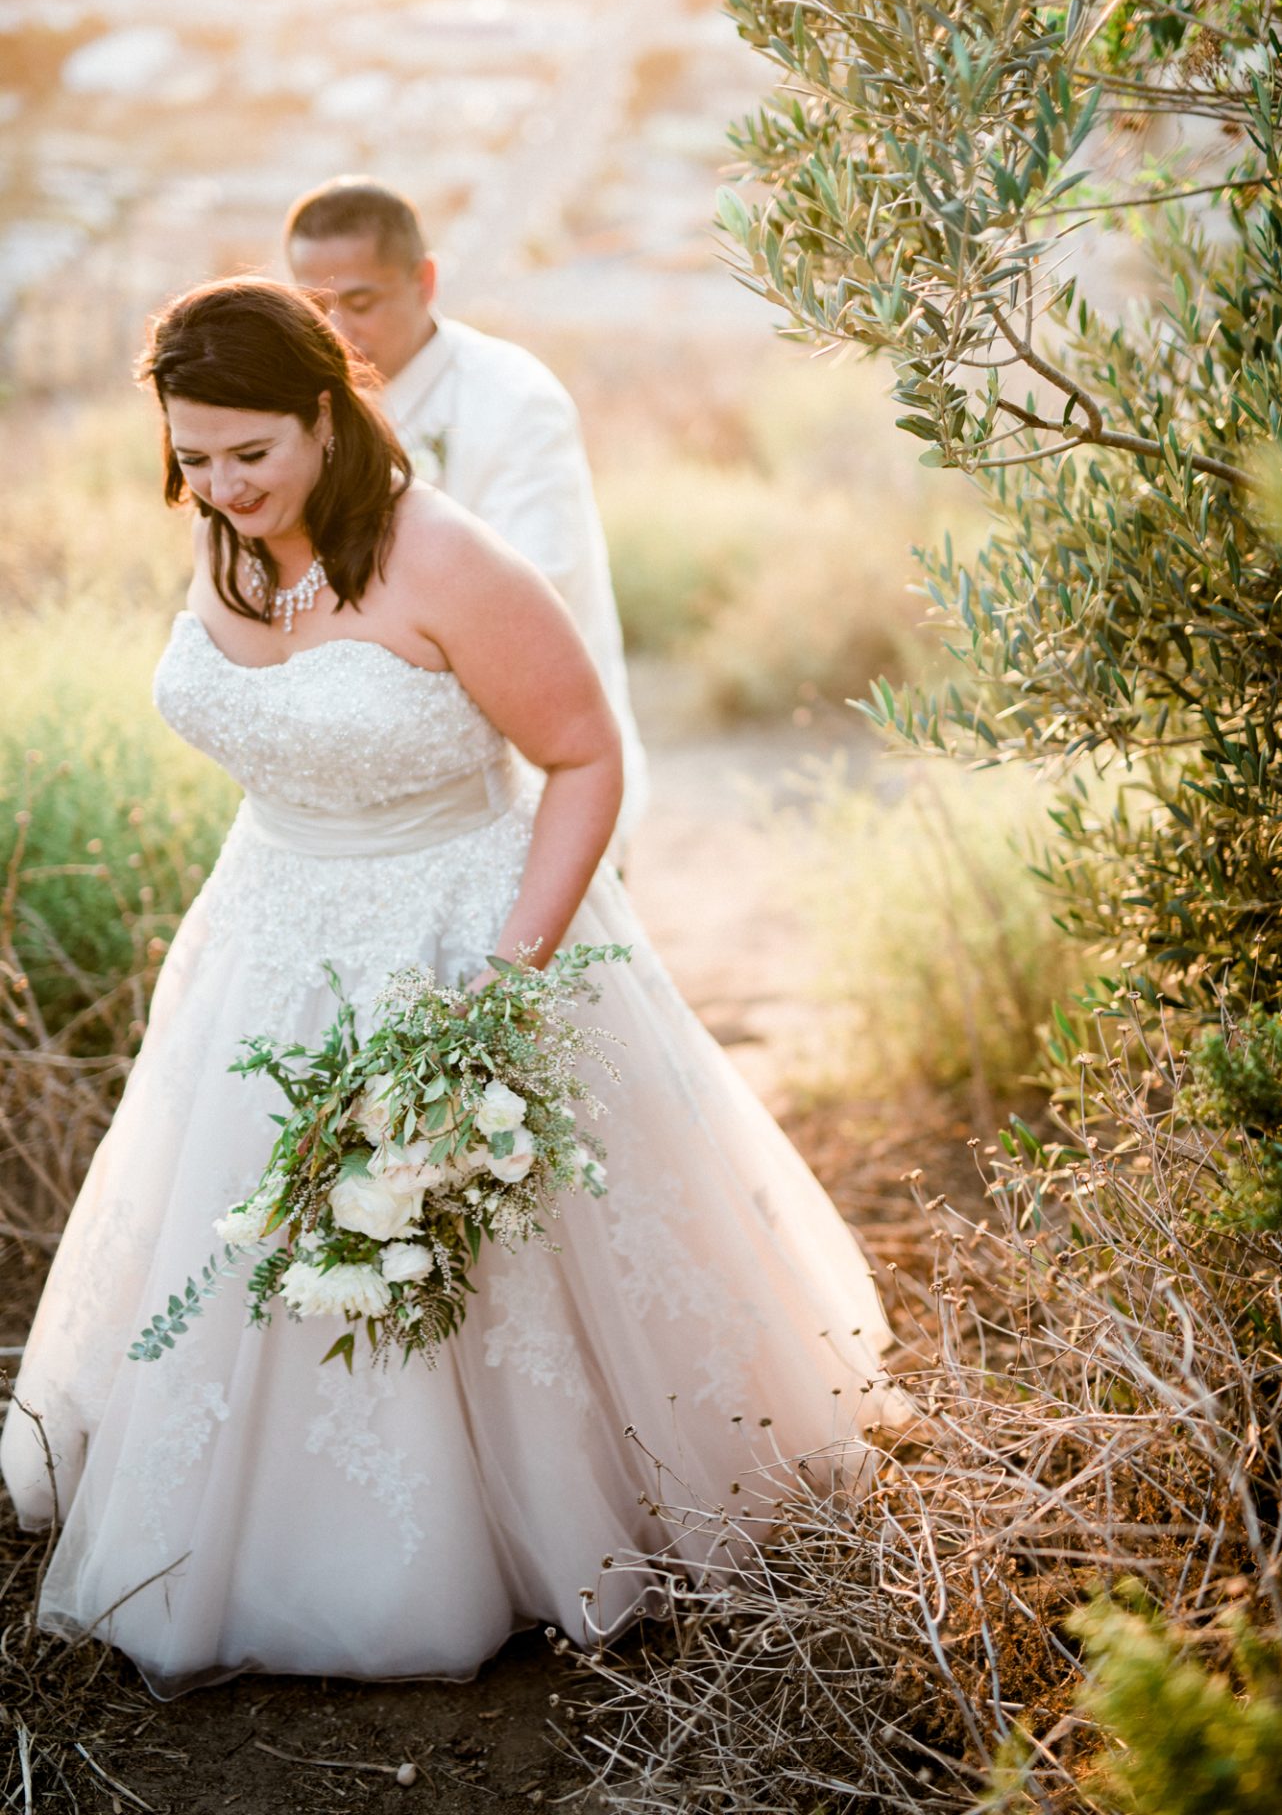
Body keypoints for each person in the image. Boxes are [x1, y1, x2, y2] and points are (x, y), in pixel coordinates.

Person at [1, 279, 909, 1700]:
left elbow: (586, 756)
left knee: (484, 1246)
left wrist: (501, 984)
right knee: (243, 1236)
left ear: (325, 411)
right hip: (264, 931)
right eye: (193, 456)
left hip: (453, 933)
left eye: (253, 453)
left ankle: (529, 1527)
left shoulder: (447, 558)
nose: (223, 487)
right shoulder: (227, 536)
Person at [285, 176, 648, 856]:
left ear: (424, 280)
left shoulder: (516, 400)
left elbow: (542, 587)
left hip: (531, 783)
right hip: (367, 802)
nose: (335, 331)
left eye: (360, 303)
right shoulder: (299, 411)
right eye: (313, 305)